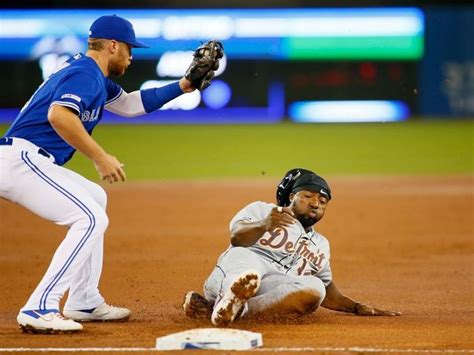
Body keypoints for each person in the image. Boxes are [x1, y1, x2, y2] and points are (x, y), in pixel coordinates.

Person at [0, 15, 222, 334]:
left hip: (26, 159)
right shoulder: (85, 73)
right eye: (129, 49)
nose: (131, 56)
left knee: (95, 198)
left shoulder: (95, 76)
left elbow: (131, 105)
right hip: (19, 159)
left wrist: (184, 86)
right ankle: (39, 307)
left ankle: (84, 299)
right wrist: (99, 156)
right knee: (89, 218)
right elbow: (59, 115)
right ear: (113, 45)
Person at [183, 168, 401, 326]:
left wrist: (356, 307)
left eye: (322, 202)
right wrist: (264, 224)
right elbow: (237, 237)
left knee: (316, 287)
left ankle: (237, 310)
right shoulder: (263, 210)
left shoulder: (321, 245)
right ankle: (229, 297)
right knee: (246, 262)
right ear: (290, 197)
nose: (315, 203)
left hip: (266, 291)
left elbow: (328, 290)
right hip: (232, 274)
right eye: (307, 196)